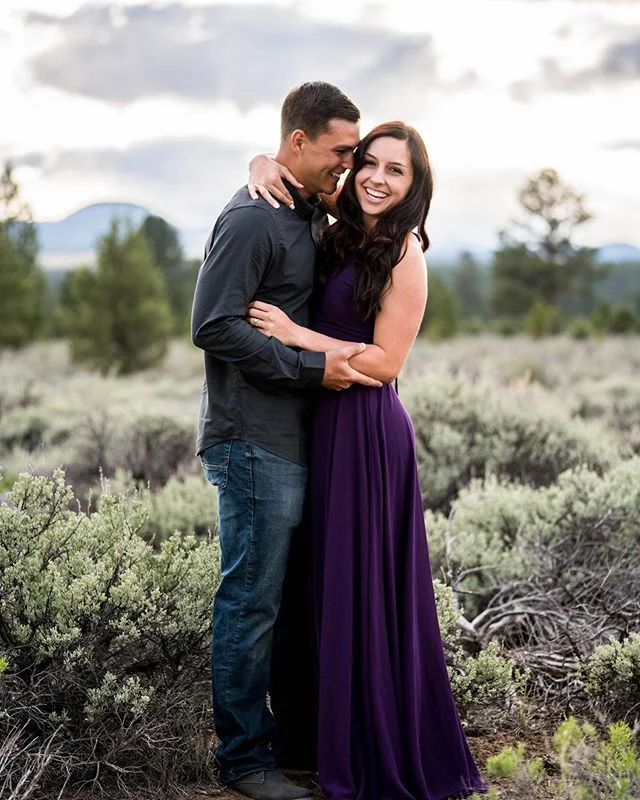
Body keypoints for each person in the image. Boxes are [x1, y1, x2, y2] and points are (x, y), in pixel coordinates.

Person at [246, 122, 488, 799]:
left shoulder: (405, 252)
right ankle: (318, 738)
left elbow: (385, 364)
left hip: (364, 432)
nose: (379, 178)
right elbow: (290, 170)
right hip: (316, 424)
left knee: (362, 586)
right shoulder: (344, 225)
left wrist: (297, 335)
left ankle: (376, 744)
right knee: (317, 583)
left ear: (417, 185)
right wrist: (261, 159)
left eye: (397, 171)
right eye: (370, 164)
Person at [191, 81, 383, 800]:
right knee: (251, 601)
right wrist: (310, 365)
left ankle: (296, 739)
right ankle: (243, 761)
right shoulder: (251, 219)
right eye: (339, 151)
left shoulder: (304, 208)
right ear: (296, 142)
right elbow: (213, 324)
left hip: (299, 440)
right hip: (251, 441)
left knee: (293, 599)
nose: (349, 164)